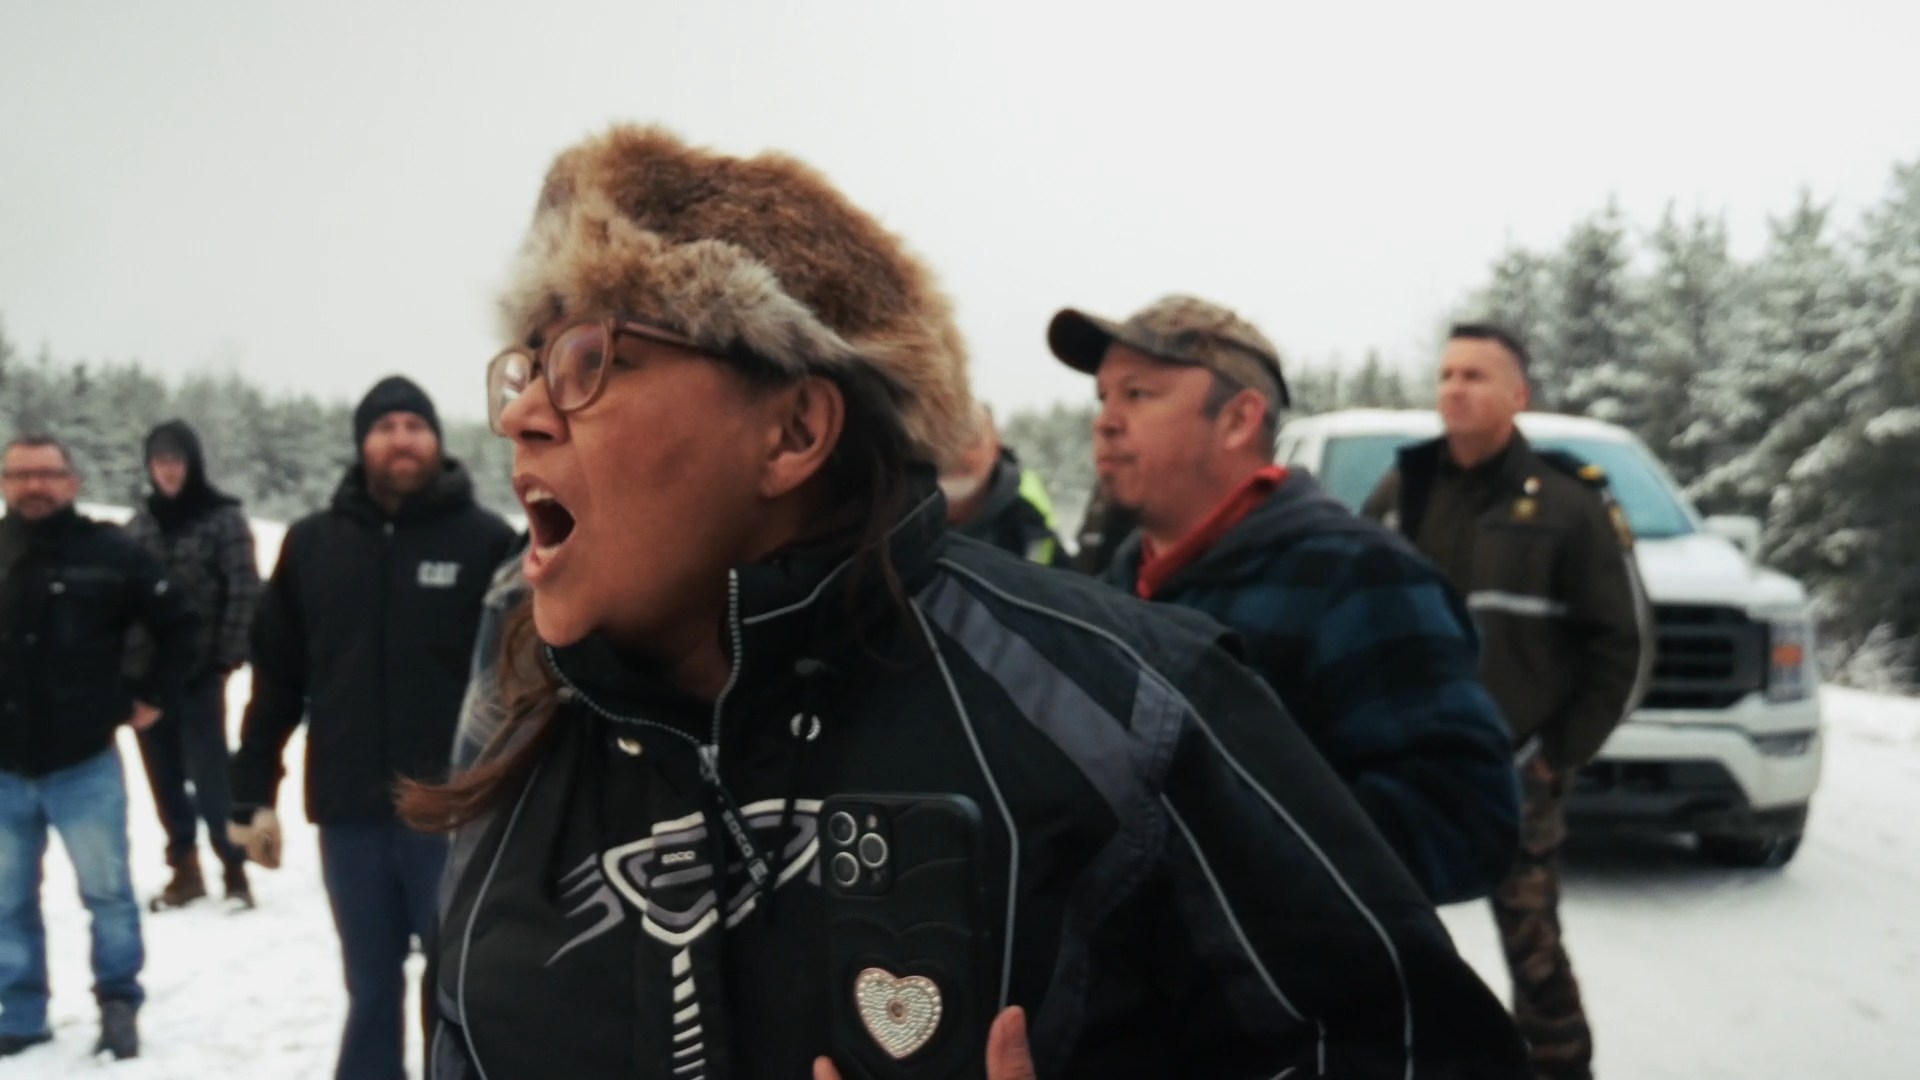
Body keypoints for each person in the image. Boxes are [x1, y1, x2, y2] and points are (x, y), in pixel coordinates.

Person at [405, 124, 1527, 1080]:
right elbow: (459, 1032)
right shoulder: (526, 700)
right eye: (530, 362)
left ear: (795, 431)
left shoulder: (1126, 702)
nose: (523, 415)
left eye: (593, 358)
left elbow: (1418, 1035)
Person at [1048, 295, 1520, 905]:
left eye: (1138, 394)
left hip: (1293, 999)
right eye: (1103, 397)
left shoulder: (1359, 578)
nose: (1106, 420)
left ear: (1239, 420)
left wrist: (1213, 847)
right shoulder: (1113, 587)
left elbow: (1466, 825)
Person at [1363, 323, 1651, 1080]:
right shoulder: (1405, 486)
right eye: (1447, 373)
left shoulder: (1567, 502)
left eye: (1477, 376)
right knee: (1383, 937)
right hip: (1411, 768)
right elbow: (1354, 605)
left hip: (1516, 772)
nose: (1455, 387)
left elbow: (1623, 645)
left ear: (1518, 395)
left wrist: (1557, 757)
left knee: (1534, 955)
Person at [226, 378, 515, 1080]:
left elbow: (523, 685)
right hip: (350, 812)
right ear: (362, 444)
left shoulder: (487, 542)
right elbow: (277, 678)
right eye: (385, 426)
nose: (401, 437)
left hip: (456, 814)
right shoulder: (312, 544)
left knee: (461, 984)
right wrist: (251, 790)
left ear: (436, 440)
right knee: (371, 985)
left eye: (415, 424)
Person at [0, 435, 195, 1060]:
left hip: (83, 762)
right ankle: (21, 1012)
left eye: (47, 474)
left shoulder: (111, 552)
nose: (34, 486)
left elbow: (180, 622)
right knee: (7, 900)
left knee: (107, 894)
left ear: (73, 482)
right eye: (19, 475)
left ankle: (118, 1003)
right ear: (4, 484)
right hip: (3, 766)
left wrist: (152, 693)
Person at [123, 420, 261, 911]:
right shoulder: (139, 524)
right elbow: (120, 598)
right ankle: (184, 866)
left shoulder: (222, 519)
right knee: (161, 774)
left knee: (210, 775)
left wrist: (226, 656)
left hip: (202, 671)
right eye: (159, 462)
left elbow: (244, 589)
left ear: (192, 463)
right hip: (146, 675)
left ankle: (233, 867)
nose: (167, 471)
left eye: (176, 460)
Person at [937, 403, 1072, 567]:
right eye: (945, 440)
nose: (958, 452)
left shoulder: (1027, 528)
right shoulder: (902, 511)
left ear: (995, 449)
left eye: (972, 440)